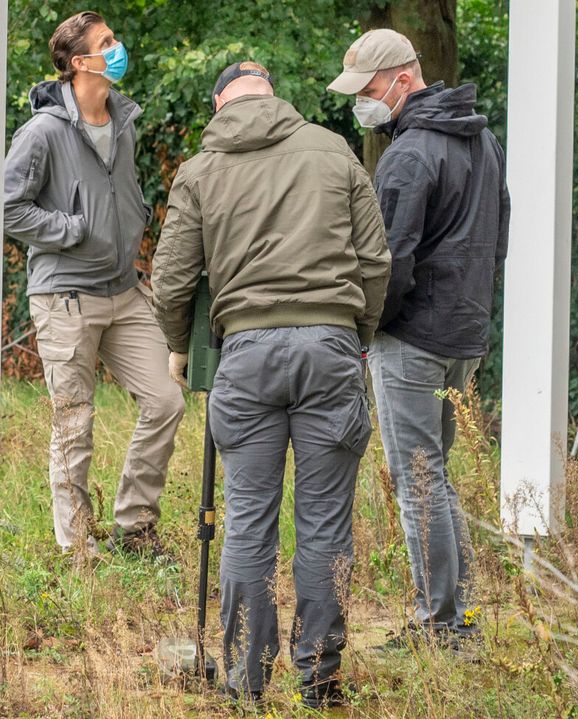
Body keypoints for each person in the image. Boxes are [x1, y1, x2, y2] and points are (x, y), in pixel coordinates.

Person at [152, 61, 389, 707]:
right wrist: (358, 333)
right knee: (325, 526)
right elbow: (374, 259)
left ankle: (246, 682)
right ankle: (320, 680)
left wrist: (180, 346)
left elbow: (172, 278)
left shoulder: (201, 169)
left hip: (247, 354)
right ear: (273, 97)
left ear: (220, 102)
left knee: (250, 522)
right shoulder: (334, 151)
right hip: (332, 344)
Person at [328, 28, 510, 650]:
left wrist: (365, 327)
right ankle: (457, 616)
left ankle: (439, 626)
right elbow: (498, 235)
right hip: (464, 332)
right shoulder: (482, 138)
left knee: (418, 483)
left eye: (370, 90)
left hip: (411, 338)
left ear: (403, 80)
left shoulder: (408, 155)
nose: (364, 103)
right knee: (438, 476)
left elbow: (388, 262)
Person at [3, 11, 185, 560]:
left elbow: (120, 193)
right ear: (80, 62)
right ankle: (77, 547)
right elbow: (7, 207)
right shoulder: (42, 131)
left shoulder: (123, 120)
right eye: (107, 44)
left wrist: (133, 220)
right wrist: (71, 229)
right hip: (66, 297)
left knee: (166, 399)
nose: (118, 48)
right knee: (74, 420)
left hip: (124, 290)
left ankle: (134, 524)